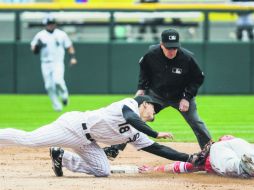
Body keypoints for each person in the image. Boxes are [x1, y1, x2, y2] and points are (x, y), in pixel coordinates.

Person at [0, 95, 199, 177]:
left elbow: (158, 149)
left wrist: (190, 158)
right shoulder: (129, 104)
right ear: (145, 104)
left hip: (87, 141)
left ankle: (62, 156)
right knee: (30, 140)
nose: (154, 114)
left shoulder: (137, 131)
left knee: (103, 170)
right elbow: (131, 118)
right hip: (73, 127)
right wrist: (155, 132)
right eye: (154, 110)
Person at [104, 28, 211, 160]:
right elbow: (144, 70)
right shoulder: (151, 54)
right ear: (161, 44)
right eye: (168, 48)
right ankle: (114, 148)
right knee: (136, 118)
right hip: (156, 95)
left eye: (174, 48)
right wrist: (141, 88)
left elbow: (198, 78)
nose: (172, 51)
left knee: (196, 122)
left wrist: (187, 97)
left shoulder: (187, 58)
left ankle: (210, 155)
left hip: (181, 96)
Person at [138, 135, 254, 178]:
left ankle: (242, 166)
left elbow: (180, 167)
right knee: (247, 154)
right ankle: (245, 164)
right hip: (238, 143)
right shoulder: (235, 143)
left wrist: (155, 169)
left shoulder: (206, 157)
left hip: (220, 149)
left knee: (229, 163)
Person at [31, 14, 77, 112]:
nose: (50, 25)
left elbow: (69, 46)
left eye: (52, 23)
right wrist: (37, 47)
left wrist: (73, 57)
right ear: (45, 25)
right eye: (48, 24)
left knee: (58, 80)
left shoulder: (61, 34)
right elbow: (34, 50)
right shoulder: (40, 35)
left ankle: (64, 95)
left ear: (55, 24)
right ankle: (57, 106)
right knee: (48, 86)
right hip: (45, 63)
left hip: (58, 62)